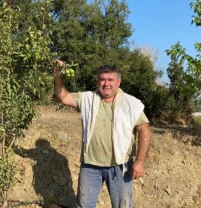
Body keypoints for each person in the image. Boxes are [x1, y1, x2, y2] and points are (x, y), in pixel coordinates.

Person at [53, 60, 152, 208]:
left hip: (120, 167)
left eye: (110, 80)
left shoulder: (131, 104)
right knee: (84, 205)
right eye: (102, 79)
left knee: (123, 206)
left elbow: (144, 130)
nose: (106, 84)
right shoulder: (87, 99)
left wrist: (140, 161)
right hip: (90, 166)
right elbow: (63, 97)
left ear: (119, 82)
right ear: (97, 81)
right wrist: (58, 75)